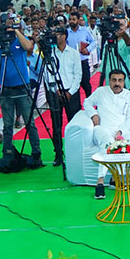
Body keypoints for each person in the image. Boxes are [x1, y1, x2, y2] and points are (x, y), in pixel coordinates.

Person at [0, 20, 43, 170]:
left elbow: (28, 47)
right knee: (7, 125)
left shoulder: (19, 40)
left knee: (29, 122)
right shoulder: (0, 42)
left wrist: (16, 32)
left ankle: (36, 153)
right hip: (6, 88)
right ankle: (7, 153)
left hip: (22, 86)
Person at [86, 69, 130, 199]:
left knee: (128, 142)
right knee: (108, 142)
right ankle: (100, 182)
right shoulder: (100, 92)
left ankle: (117, 179)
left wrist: (121, 131)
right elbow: (86, 102)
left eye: (120, 80)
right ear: (109, 81)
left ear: (124, 82)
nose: (117, 83)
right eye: (114, 80)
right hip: (103, 129)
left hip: (123, 129)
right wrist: (94, 114)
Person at [45, 29, 82, 167]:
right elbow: (47, 74)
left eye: (59, 34)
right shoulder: (50, 54)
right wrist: (54, 90)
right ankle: (58, 154)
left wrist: (70, 92)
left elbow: (78, 74)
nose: (56, 37)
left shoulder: (73, 53)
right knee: (56, 126)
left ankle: (76, 152)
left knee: (74, 124)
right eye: (55, 34)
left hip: (71, 92)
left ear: (65, 36)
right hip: (55, 92)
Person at [66, 10, 97, 97]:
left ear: (78, 20)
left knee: (86, 84)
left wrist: (87, 49)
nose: (71, 21)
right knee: (74, 85)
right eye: (70, 19)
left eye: (73, 19)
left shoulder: (84, 31)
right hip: (71, 63)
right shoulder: (66, 32)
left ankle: (89, 101)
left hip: (83, 61)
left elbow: (93, 42)